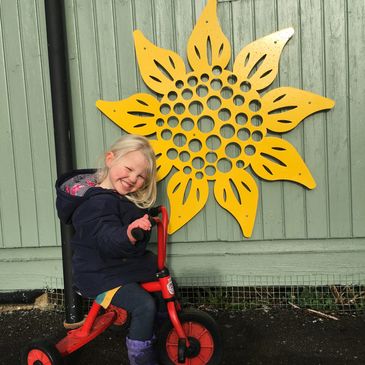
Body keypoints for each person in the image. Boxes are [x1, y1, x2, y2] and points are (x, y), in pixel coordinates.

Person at [56, 134, 160, 365]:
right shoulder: (97, 203)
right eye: (129, 168)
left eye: (141, 176)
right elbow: (106, 236)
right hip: (99, 275)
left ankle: (160, 334)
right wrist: (128, 233)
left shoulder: (117, 197)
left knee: (159, 276)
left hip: (115, 266)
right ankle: (142, 358)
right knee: (144, 305)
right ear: (110, 159)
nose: (133, 178)